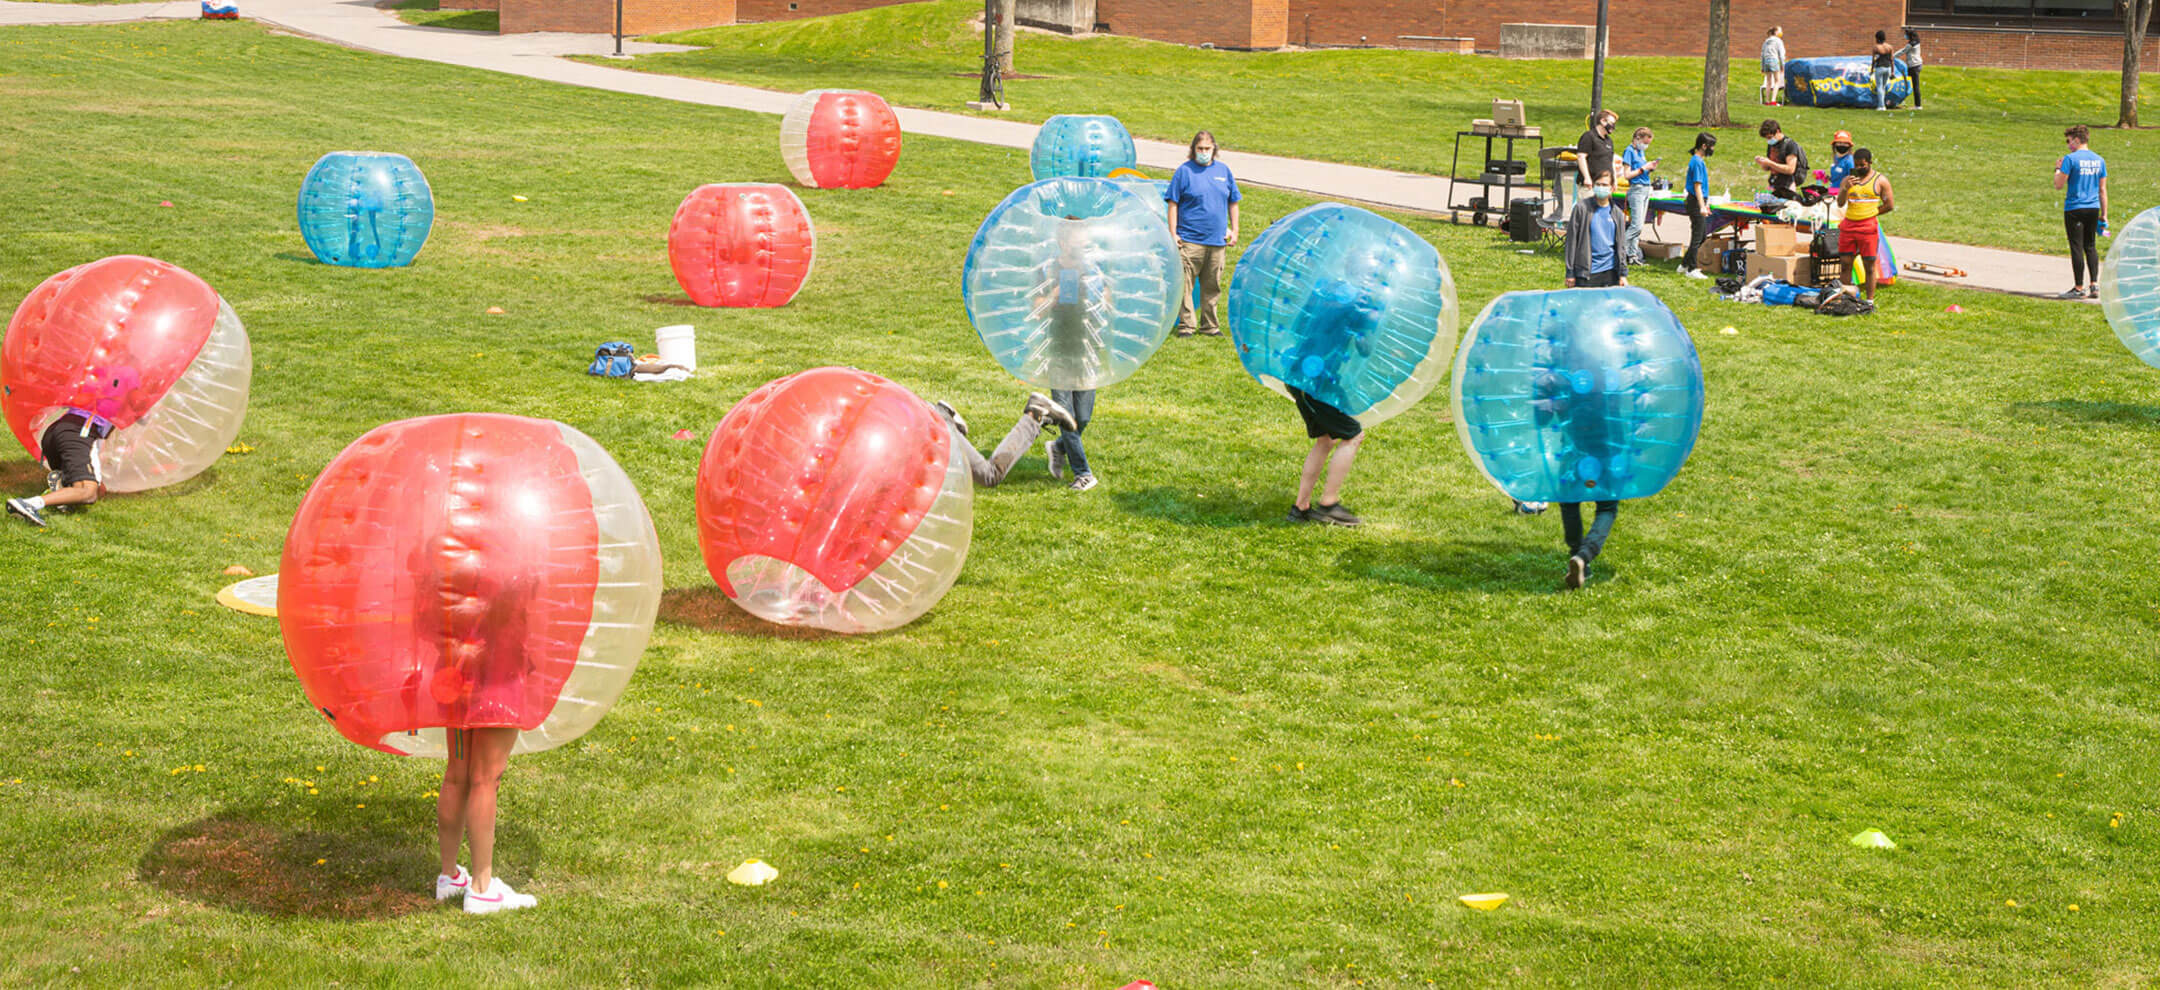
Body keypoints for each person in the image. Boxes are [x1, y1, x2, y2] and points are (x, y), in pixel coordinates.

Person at [437, 726, 534, 914]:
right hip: (494, 705)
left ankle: (449, 878)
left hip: (456, 704)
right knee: (486, 778)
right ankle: (482, 890)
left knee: (457, 775)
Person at [1165, 130, 1240, 338]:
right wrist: (1173, 232)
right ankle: (1187, 326)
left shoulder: (1224, 171)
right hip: (1189, 240)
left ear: (1214, 149)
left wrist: (1235, 230)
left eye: (1207, 148)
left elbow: (1233, 202)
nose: (1204, 152)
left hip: (1217, 241)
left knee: (1212, 286)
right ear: (1193, 149)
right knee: (1185, 285)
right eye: (1200, 148)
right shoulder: (1184, 172)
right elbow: (1173, 203)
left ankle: (1210, 326)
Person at [932, 393, 1079, 487]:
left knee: (989, 475)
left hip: (932, 427)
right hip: (927, 416)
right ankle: (945, 415)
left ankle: (1035, 414)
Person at [6, 409, 107, 527]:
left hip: (56, 432)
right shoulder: (120, 402)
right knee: (87, 491)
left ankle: (63, 485)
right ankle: (30, 504)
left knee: (96, 491)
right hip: (79, 433)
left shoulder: (97, 398)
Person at [1284, 387, 1363, 527]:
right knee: (1353, 437)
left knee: (1326, 439)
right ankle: (1329, 504)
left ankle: (1300, 508)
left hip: (1303, 383)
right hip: (1317, 385)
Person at [2056, 124, 2109, 300]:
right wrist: (2104, 214)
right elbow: (2102, 190)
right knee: (2090, 245)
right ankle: (2094, 285)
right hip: (2093, 208)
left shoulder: (2070, 159)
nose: (2068, 145)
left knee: (2077, 247)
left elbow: (2058, 185)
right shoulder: (2099, 160)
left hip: (2074, 208)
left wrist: (2057, 169)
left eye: (2069, 141)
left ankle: (2079, 287)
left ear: (2077, 140)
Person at [1836, 147, 1895, 301]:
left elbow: (1889, 205)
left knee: (1869, 265)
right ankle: (1845, 298)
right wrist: (1845, 188)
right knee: (1845, 264)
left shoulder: (1880, 181)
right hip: (1848, 226)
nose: (1859, 168)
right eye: (1856, 165)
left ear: (1870, 163)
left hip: (1868, 227)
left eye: (1862, 165)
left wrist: (1872, 212)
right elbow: (1840, 203)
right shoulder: (1848, 180)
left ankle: (1869, 300)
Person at [1564, 174, 1629, 289]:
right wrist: (1570, 273)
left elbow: (1621, 245)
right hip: (1587, 273)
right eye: (1598, 184)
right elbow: (1571, 241)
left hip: (1610, 272)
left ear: (1612, 188)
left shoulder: (1617, 213)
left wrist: (1622, 274)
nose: (1601, 187)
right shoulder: (1581, 209)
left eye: (1604, 185)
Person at [1043, 389, 1098, 492]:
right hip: (1060, 379)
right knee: (1066, 419)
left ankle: (1058, 447)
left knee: (1082, 418)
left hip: (1085, 378)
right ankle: (1083, 474)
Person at [1619, 127, 1658, 266]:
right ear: (1637, 138)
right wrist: (1643, 168)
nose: (1646, 146)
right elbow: (1627, 175)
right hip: (1636, 190)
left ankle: (1632, 255)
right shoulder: (1629, 151)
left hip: (1646, 188)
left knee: (1639, 226)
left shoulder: (1640, 152)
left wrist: (1650, 168)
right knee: (1636, 226)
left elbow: (1641, 170)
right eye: (1645, 142)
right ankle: (1618, 249)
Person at [1681, 132, 1716, 280]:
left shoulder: (1698, 161)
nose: (1713, 149)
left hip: (1698, 201)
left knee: (1701, 236)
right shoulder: (1696, 162)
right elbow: (1697, 186)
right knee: (1697, 236)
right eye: (1712, 146)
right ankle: (1692, 268)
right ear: (1704, 146)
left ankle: (1684, 264)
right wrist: (1702, 206)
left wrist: (1705, 204)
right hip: (1695, 202)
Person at [1755, 119, 1808, 201]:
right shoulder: (1772, 144)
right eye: (1766, 138)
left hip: (1787, 185)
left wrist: (1770, 163)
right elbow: (1767, 168)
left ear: (1778, 131)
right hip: (1774, 183)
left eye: (1770, 137)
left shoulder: (1790, 145)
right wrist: (1763, 163)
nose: (1768, 140)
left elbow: (1790, 169)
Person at [1575, 109, 1618, 189]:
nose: (1613, 126)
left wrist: (1614, 179)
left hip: (1605, 184)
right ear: (1603, 121)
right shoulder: (1589, 136)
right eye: (1612, 123)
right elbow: (1581, 157)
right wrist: (1587, 177)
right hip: (1590, 184)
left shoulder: (1609, 141)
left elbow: (1611, 161)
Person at [1895, 27, 1924, 110]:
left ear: (1910, 35)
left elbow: (1903, 51)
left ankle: (1918, 106)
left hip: (1914, 66)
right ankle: (1904, 101)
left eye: (1906, 34)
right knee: (1908, 83)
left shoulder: (1911, 44)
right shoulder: (1916, 41)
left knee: (1915, 86)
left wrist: (1892, 56)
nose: (1905, 35)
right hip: (1917, 64)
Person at [1760, 27, 1787, 106]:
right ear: (1776, 32)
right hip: (1774, 61)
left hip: (1766, 62)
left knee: (1768, 82)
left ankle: (1767, 101)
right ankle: (1773, 101)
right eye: (1780, 31)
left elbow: (1762, 55)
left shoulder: (1766, 41)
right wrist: (1782, 66)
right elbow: (1781, 55)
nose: (1781, 32)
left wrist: (1762, 67)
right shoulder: (1778, 41)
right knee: (1777, 81)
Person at [1871, 30, 1896, 111]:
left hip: (1879, 68)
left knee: (1879, 87)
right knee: (1883, 87)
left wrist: (1871, 69)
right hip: (1888, 68)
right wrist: (1892, 71)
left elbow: (1874, 60)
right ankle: (1882, 105)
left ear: (1877, 38)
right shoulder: (1890, 47)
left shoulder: (1876, 47)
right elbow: (1892, 60)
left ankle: (1881, 106)